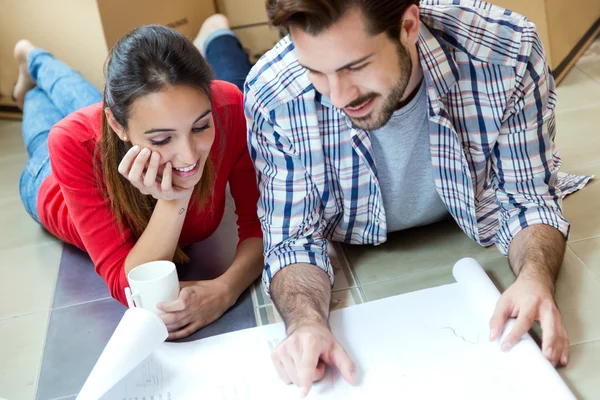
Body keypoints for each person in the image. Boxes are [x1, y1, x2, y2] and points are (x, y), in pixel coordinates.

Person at [244, 0, 592, 396]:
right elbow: (292, 241)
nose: (339, 96)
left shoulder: (506, 51)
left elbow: (528, 198)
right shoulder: (273, 93)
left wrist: (535, 278)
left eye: (355, 66)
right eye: (315, 72)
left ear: (408, 25)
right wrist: (305, 323)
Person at [14, 16, 263, 340]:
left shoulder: (228, 106)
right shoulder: (72, 143)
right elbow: (129, 285)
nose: (189, 156)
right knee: (42, 115)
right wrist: (176, 196)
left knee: (89, 101)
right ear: (118, 127)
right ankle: (31, 60)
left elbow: (262, 224)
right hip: (49, 179)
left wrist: (226, 289)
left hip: (116, 125)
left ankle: (35, 58)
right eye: (161, 140)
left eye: (200, 127)